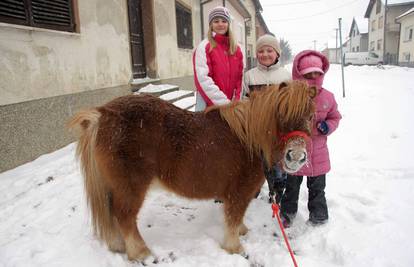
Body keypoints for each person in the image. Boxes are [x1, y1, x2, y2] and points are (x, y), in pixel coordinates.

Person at [280, 50, 342, 227]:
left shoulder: (327, 97)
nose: (313, 77)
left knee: (317, 188)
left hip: (319, 153)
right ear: (299, 74)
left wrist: (327, 126)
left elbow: (335, 117)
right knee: (291, 187)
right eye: (308, 73)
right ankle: (287, 213)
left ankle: (319, 215)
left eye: (317, 73)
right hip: (296, 149)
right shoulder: (291, 95)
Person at [243, 34, 291, 204]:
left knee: (277, 163)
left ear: (277, 53)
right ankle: (255, 189)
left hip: (278, 130)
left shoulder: (285, 76)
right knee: (257, 161)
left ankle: (278, 191)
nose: (265, 54)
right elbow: (245, 101)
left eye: (269, 50)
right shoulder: (249, 76)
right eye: (261, 51)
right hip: (256, 129)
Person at [193, 6, 244, 111]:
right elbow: (203, 79)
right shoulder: (204, 47)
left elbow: (240, 79)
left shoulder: (236, 49)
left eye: (224, 21)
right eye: (216, 21)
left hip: (231, 109)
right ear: (211, 24)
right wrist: (224, 104)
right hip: (209, 107)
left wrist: (236, 101)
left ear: (228, 24)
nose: (220, 24)